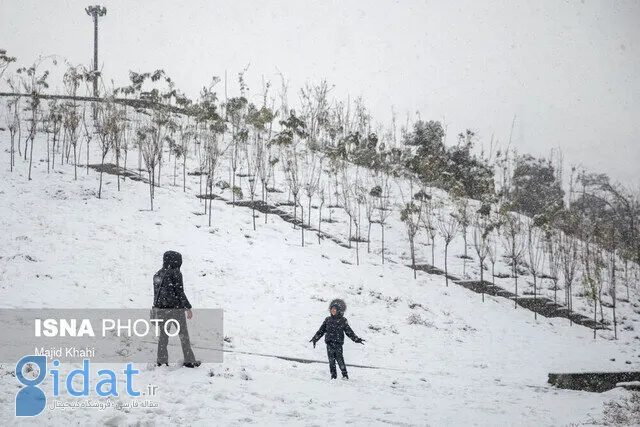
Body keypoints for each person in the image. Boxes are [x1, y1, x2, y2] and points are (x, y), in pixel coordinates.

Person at [152, 250, 201, 368]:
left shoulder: (158, 274)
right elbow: (179, 292)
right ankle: (189, 360)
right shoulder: (176, 273)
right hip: (176, 310)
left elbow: (156, 295)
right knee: (184, 336)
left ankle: (162, 361)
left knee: (163, 337)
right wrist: (188, 307)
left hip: (161, 311)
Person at [310, 299, 365, 379]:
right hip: (329, 344)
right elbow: (321, 331)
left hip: (338, 344)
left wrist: (356, 339)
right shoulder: (327, 319)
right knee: (331, 361)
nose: (332, 311)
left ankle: (345, 375)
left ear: (338, 310)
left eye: (334, 309)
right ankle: (333, 376)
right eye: (331, 309)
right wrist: (315, 338)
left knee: (340, 360)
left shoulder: (343, 320)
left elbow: (349, 331)